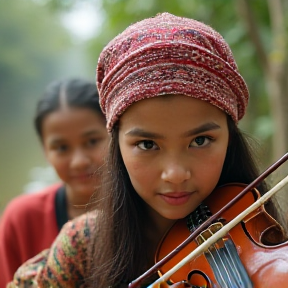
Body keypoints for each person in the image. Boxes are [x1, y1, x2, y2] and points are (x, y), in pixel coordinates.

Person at [8, 13, 288, 288]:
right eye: (147, 145)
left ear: (230, 136)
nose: (175, 174)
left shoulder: (269, 233)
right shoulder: (82, 246)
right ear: (116, 145)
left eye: (200, 140)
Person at [0, 78, 109, 287]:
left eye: (92, 141)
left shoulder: (153, 210)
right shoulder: (22, 218)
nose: (79, 161)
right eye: (61, 148)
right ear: (45, 152)